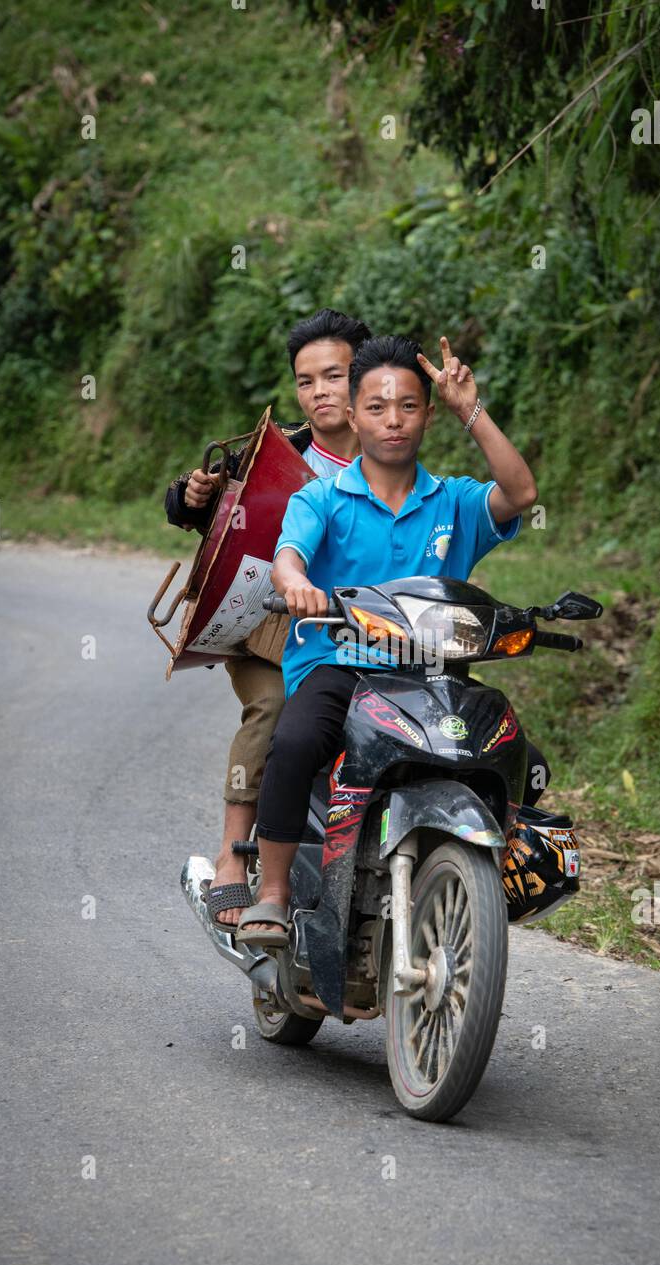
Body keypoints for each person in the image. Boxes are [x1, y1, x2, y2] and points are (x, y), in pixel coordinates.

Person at [234, 332, 547, 948]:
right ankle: (271, 894)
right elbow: (288, 558)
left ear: (429, 414)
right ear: (353, 416)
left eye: (408, 405)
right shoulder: (321, 497)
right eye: (376, 407)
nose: (393, 420)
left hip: (432, 673)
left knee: (523, 761)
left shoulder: (453, 501)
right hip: (339, 664)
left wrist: (472, 410)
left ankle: (480, 874)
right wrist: (296, 585)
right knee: (293, 742)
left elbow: (522, 494)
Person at [164, 308, 372, 926]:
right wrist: (193, 495)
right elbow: (212, 511)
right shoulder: (276, 453)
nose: (319, 393)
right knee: (276, 708)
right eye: (306, 381)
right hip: (270, 632)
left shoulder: (394, 450)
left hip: (369, 633)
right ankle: (234, 856)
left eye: (334, 376)